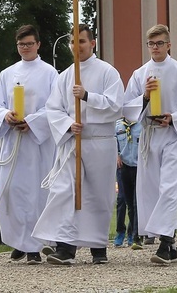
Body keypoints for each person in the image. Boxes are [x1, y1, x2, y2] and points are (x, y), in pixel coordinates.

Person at [32, 24, 124, 265]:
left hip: (99, 142)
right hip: (73, 143)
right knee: (65, 191)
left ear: (92, 43)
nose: (76, 46)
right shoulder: (65, 76)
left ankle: (97, 247)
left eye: (81, 41)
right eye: (73, 42)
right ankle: (64, 246)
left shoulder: (107, 72)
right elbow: (53, 108)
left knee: (97, 195)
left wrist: (87, 96)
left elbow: (116, 106)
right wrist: (67, 124)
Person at [123, 24, 177, 265]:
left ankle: (165, 243)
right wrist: (144, 97)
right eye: (151, 44)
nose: (155, 48)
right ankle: (171, 242)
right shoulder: (139, 73)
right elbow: (127, 108)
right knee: (153, 190)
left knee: (168, 187)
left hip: (174, 136)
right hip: (149, 136)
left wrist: (173, 118)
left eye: (159, 43)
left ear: (169, 45)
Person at [0, 25, 58, 264]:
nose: (25, 48)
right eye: (21, 44)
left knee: (34, 195)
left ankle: (33, 247)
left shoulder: (50, 73)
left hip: (37, 146)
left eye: (29, 44)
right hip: (12, 143)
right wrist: (6, 115)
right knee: (7, 194)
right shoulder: (7, 73)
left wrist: (33, 122)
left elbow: (56, 106)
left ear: (38, 44)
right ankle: (19, 240)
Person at [115, 117, 142, 248]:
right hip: (123, 166)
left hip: (138, 167)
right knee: (124, 201)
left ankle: (134, 234)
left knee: (137, 202)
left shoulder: (141, 124)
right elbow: (114, 142)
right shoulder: (119, 126)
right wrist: (117, 155)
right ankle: (120, 231)